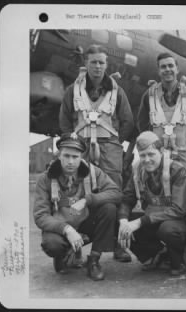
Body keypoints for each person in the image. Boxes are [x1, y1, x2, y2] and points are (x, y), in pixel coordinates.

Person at [59, 44, 134, 262]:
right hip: (80, 146)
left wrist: (115, 142)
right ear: (86, 64)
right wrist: (71, 143)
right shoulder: (72, 90)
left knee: (114, 194)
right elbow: (64, 119)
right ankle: (75, 247)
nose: (98, 66)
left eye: (102, 62)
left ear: (107, 65)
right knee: (76, 193)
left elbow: (127, 120)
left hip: (109, 147)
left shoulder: (117, 91)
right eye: (93, 62)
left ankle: (118, 246)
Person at [33, 134, 122, 281]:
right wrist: (67, 230)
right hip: (61, 228)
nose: (70, 162)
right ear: (58, 155)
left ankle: (93, 260)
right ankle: (63, 253)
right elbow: (40, 216)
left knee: (109, 208)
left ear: (81, 156)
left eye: (75, 157)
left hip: (86, 224)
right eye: (66, 156)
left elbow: (116, 193)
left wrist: (88, 200)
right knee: (52, 244)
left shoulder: (93, 172)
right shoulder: (45, 179)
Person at [118, 131, 186, 276]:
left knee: (168, 229)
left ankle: (180, 257)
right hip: (152, 219)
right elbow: (127, 198)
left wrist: (140, 222)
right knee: (120, 222)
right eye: (142, 155)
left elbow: (178, 210)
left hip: (177, 223)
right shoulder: (138, 170)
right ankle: (155, 255)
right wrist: (123, 221)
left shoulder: (177, 170)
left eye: (151, 154)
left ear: (162, 151)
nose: (146, 160)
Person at [137, 52, 186, 174]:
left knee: (183, 188)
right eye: (163, 67)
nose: (167, 69)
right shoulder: (148, 96)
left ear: (177, 69)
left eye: (171, 66)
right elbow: (142, 124)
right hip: (156, 155)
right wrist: (152, 145)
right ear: (158, 71)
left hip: (182, 154)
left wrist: (185, 141)